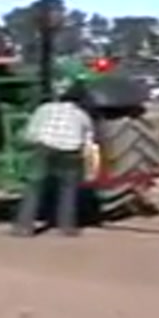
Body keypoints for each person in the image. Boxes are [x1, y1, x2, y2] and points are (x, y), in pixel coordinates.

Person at [11, 91, 97, 237]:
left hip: (45, 149)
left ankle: (24, 227)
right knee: (68, 190)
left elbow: (31, 133)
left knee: (34, 186)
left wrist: (24, 144)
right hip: (71, 152)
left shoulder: (44, 109)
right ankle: (67, 228)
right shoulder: (82, 115)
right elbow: (88, 142)